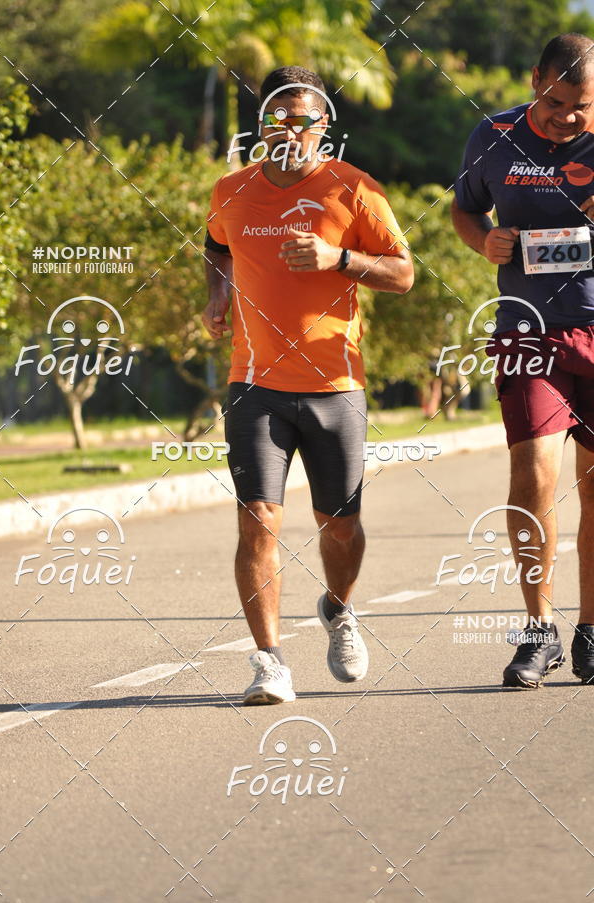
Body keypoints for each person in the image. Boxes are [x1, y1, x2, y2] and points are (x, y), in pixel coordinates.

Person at [203, 66, 414, 704]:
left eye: (305, 121)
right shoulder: (231, 190)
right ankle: (269, 663)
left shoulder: (355, 190)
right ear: (261, 122)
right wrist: (218, 293)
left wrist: (338, 259)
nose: (291, 131)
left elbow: (403, 275)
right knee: (257, 522)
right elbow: (216, 247)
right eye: (279, 119)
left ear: (325, 127)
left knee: (340, 526)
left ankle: (338, 608)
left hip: (336, 385)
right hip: (254, 384)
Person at [452, 33, 594, 688]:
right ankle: (539, 631)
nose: (569, 117)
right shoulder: (494, 136)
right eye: (558, 101)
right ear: (535, 79)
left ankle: (590, 628)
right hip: (529, 329)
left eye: (583, 107)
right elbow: (464, 207)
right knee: (534, 472)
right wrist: (485, 239)